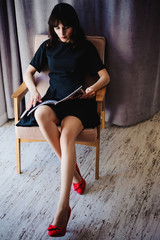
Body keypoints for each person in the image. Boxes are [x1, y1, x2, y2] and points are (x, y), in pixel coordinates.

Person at [17, 3, 110, 237]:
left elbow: (105, 77)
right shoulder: (48, 46)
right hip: (55, 99)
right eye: (57, 27)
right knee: (39, 113)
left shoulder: (85, 47)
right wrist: (34, 91)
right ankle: (76, 174)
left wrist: (91, 89)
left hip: (78, 101)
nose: (61, 32)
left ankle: (62, 208)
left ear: (73, 26)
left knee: (67, 136)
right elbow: (28, 72)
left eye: (65, 27)